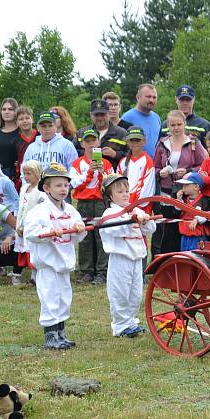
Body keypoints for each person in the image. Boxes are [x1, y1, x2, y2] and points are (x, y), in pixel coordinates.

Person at [24, 162, 87, 350]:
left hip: (64, 263)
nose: (63, 189)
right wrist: (50, 230)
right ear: (46, 188)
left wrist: (79, 228)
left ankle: (61, 332)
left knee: (64, 298)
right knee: (50, 298)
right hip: (48, 265)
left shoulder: (70, 210)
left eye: (66, 185)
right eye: (58, 185)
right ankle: (50, 336)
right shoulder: (39, 211)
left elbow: (77, 233)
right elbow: (31, 233)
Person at [99, 173, 156, 337]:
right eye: (119, 192)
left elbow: (150, 229)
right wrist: (131, 219)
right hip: (121, 258)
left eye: (126, 190)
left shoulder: (136, 208)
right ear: (110, 196)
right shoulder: (110, 213)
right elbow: (110, 229)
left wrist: (145, 220)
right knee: (120, 292)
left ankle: (131, 321)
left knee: (135, 292)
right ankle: (120, 325)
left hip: (137, 258)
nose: (125, 194)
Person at [153, 110, 208, 256]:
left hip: (186, 191)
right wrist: (160, 172)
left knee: (182, 228)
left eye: (179, 124)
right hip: (166, 191)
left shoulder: (193, 142)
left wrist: (188, 171)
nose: (176, 128)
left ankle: (183, 259)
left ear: (185, 124)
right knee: (167, 230)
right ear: (168, 127)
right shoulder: (162, 143)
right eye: (172, 125)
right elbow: (155, 166)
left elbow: (204, 164)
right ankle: (164, 262)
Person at [70, 128, 114, 284]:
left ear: (98, 142)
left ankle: (102, 271)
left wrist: (103, 174)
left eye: (93, 140)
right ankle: (86, 271)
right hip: (84, 203)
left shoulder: (106, 163)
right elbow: (74, 184)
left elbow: (111, 187)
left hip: (101, 203)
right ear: (82, 143)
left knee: (102, 236)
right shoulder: (77, 164)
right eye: (87, 141)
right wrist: (89, 173)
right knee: (84, 236)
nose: (90, 144)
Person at [14, 160, 44, 286]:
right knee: (25, 251)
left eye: (29, 173)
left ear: (37, 173)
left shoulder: (41, 191)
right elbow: (21, 207)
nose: (26, 176)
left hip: (34, 225)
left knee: (35, 250)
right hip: (22, 223)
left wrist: (29, 226)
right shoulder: (24, 188)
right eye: (24, 173)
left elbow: (41, 210)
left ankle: (37, 277)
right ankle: (32, 276)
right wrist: (19, 225)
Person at [74, 99, 128, 169]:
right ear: (91, 115)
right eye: (96, 115)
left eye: (103, 114)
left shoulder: (121, 133)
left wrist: (115, 154)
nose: (99, 118)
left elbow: (131, 155)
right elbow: (73, 152)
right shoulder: (81, 133)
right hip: (86, 175)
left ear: (109, 114)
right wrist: (88, 152)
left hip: (113, 176)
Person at [116, 126, 156, 211]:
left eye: (138, 140)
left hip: (141, 209)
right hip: (123, 208)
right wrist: (122, 204)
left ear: (144, 141)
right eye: (131, 140)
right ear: (127, 141)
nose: (135, 143)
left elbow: (148, 189)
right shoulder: (123, 162)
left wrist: (136, 207)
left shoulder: (148, 161)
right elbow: (117, 186)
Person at [121, 83, 162, 157]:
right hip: (136, 165)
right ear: (138, 97)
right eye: (148, 97)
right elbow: (122, 146)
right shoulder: (127, 118)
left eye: (154, 97)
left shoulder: (156, 117)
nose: (151, 100)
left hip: (156, 166)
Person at [174, 172, 210, 251]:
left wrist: (197, 219)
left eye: (186, 185)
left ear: (196, 187)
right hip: (184, 235)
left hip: (198, 236)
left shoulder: (204, 201)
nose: (183, 188)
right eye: (183, 185)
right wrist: (179, 200)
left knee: (196, 257)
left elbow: (208, 214)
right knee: (184, 256)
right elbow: (177, 213)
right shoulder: (184, 200)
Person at [13, 106, 37, 183]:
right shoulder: (15, 140)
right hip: (23, 176)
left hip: (39, 173)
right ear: (16, 122)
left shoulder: (40, 136)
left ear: (32, 119)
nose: (24, 121)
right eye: (21, 119)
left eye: (27, 118)